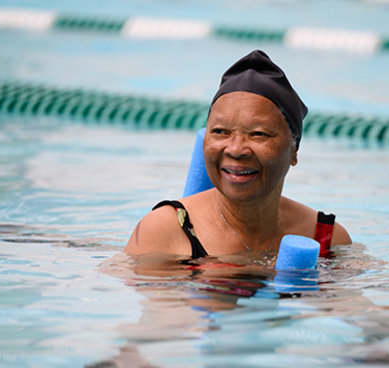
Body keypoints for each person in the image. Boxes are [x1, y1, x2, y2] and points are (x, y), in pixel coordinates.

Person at [125, 50, 351, 258]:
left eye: (258, 134)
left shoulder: (326, 239)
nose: (235, 149)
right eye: (220, 132)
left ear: (294, 150)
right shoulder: (164, 232)